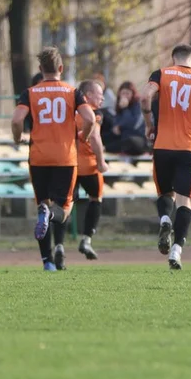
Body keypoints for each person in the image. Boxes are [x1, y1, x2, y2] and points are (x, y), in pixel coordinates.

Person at [12, 47, 96, 272]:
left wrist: (18, 137)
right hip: (64, 158)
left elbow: (17, 119)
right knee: (64, 209)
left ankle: (47, 262)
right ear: (61, 68)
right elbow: (89, 118)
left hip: (38, 157)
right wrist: (84, 136)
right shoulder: (72, 92)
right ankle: (49, 216)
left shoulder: (30, 92)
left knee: (43, 204)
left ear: (40, 69)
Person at [141, 44, 191, 271]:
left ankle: (165, 220)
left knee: (165, 193)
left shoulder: (161, 74)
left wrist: (150, 125)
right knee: (186, 201)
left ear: (173, 58)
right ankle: (176, 252)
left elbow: (145, 98)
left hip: (163, 146)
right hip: (188, 148)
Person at [75, 79, 112, 261]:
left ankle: (56, 245)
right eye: (100, 95)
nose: (103, 99)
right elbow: (95, 137)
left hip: (68, 165)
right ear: (88, 95)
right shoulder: (93, 113)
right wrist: (101, 162)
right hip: (88, 165)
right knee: (95, 199)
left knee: (63, 204)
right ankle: (87, 239)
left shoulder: (70, 110)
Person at [105, 81, 146, 155]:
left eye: (127, 93)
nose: (125, 96)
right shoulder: (118, 105)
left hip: (137, 138)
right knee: (105, 136)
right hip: (123, 137)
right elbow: (116, 120)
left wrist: (125, 108)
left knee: (130, 141)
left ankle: (106, 148)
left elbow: (134, 124)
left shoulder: (138, 105)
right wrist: (116, 126)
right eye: (123, 93)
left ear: (132, 94)